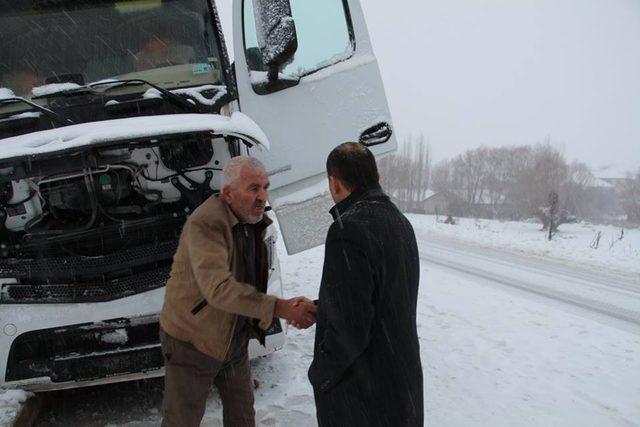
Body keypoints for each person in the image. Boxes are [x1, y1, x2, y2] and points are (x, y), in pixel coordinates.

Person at [159, 156, 317, 427]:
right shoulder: (206, 224)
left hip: (233, 338)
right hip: (192, 341)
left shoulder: (250, 219)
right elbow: (218, 289)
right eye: (253, 188)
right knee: (181, 421)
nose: (263, 196)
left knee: (243, 417)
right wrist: (280, 308)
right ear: (228, 194)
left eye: (266, 187)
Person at [308, 142, 423, 426]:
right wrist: (322, 308)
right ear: (377, 177)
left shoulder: (348, 230)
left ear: (334, 183)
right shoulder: (399, 222)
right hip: (400, 386)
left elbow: (350, 330)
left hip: (363, 397)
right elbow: (384, 296)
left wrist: (319, 374)